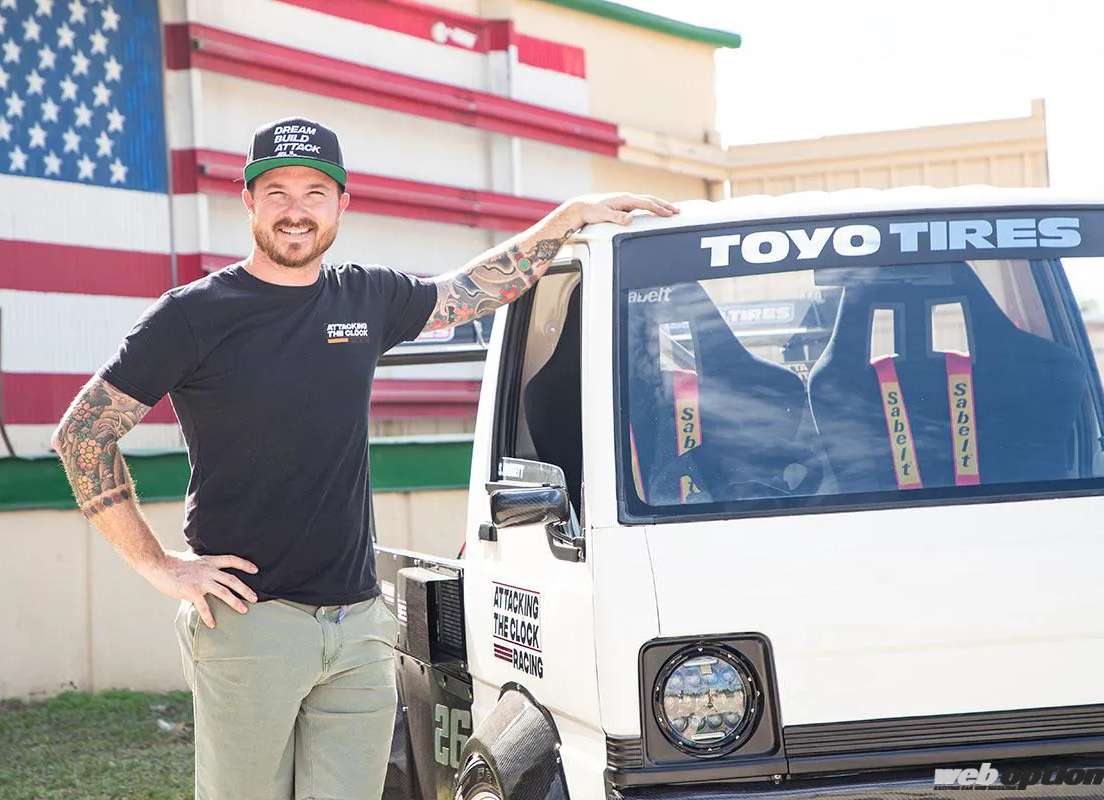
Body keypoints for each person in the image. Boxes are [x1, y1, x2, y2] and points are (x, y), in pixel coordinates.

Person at [51, 115, 678, 800]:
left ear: (342, 204)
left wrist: (567, 217)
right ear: (249, 201)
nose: (296, 210)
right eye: (277, 192)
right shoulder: (194, 315)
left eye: (315, 193)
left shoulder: (366, 296)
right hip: (251, 624)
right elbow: (82, 434)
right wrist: (159, 565)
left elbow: (473, 290)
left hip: (359, 628)